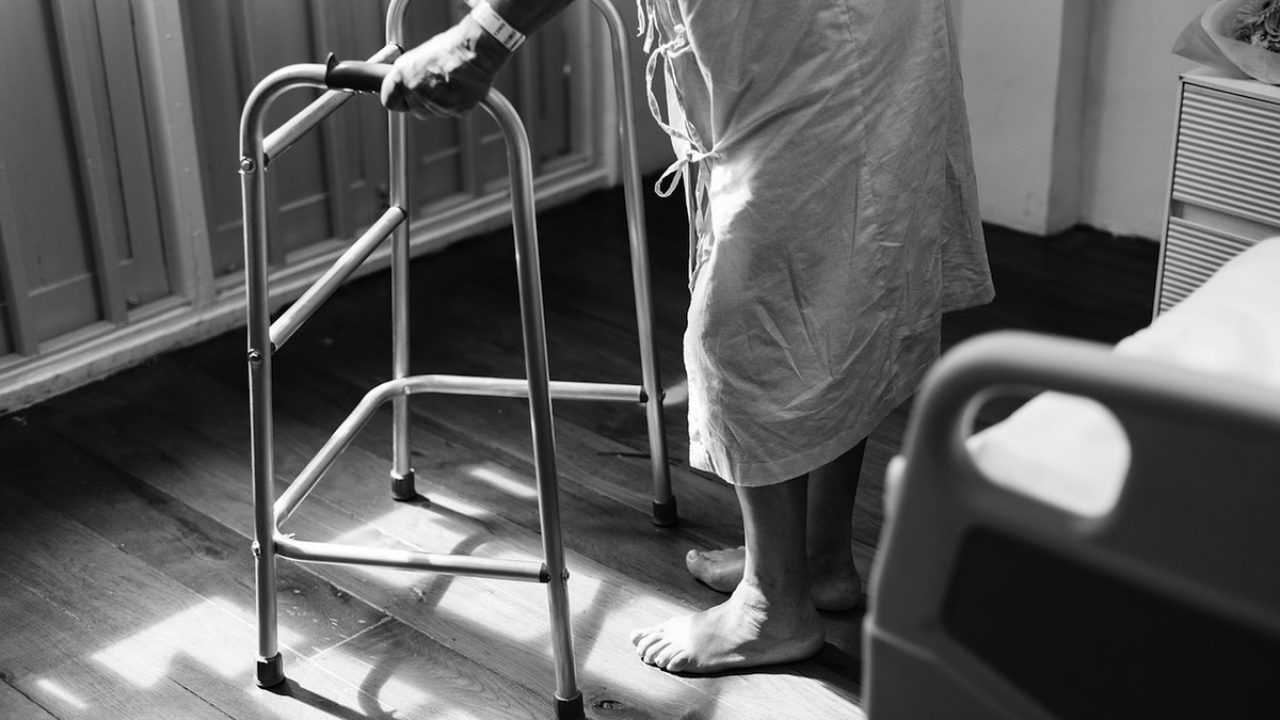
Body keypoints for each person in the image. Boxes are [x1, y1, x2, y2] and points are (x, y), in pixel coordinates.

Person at [381, 0, 994, 675]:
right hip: (823, 30)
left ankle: (774, 608)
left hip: (814, 37)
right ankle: (814, 561)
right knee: (836, 277)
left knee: (759, 308)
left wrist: (482, 37)